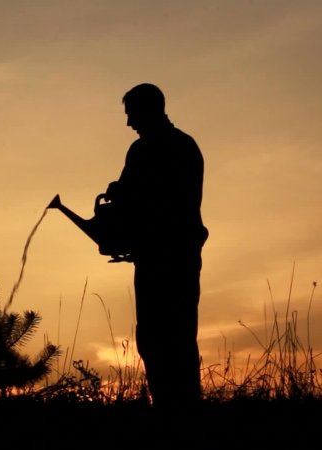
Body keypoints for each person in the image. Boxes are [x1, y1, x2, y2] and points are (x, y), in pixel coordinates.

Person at [104, 83, 208, 411]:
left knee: (170, 337)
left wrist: (122, 195)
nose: (128, 123)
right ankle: (173, 408)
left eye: (132, 114)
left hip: (170, 257)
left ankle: (178, 412)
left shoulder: (159, 150)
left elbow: (163, 202)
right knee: (159, 338)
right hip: (159, 256)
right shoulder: (178, 146)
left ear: (148, 110)